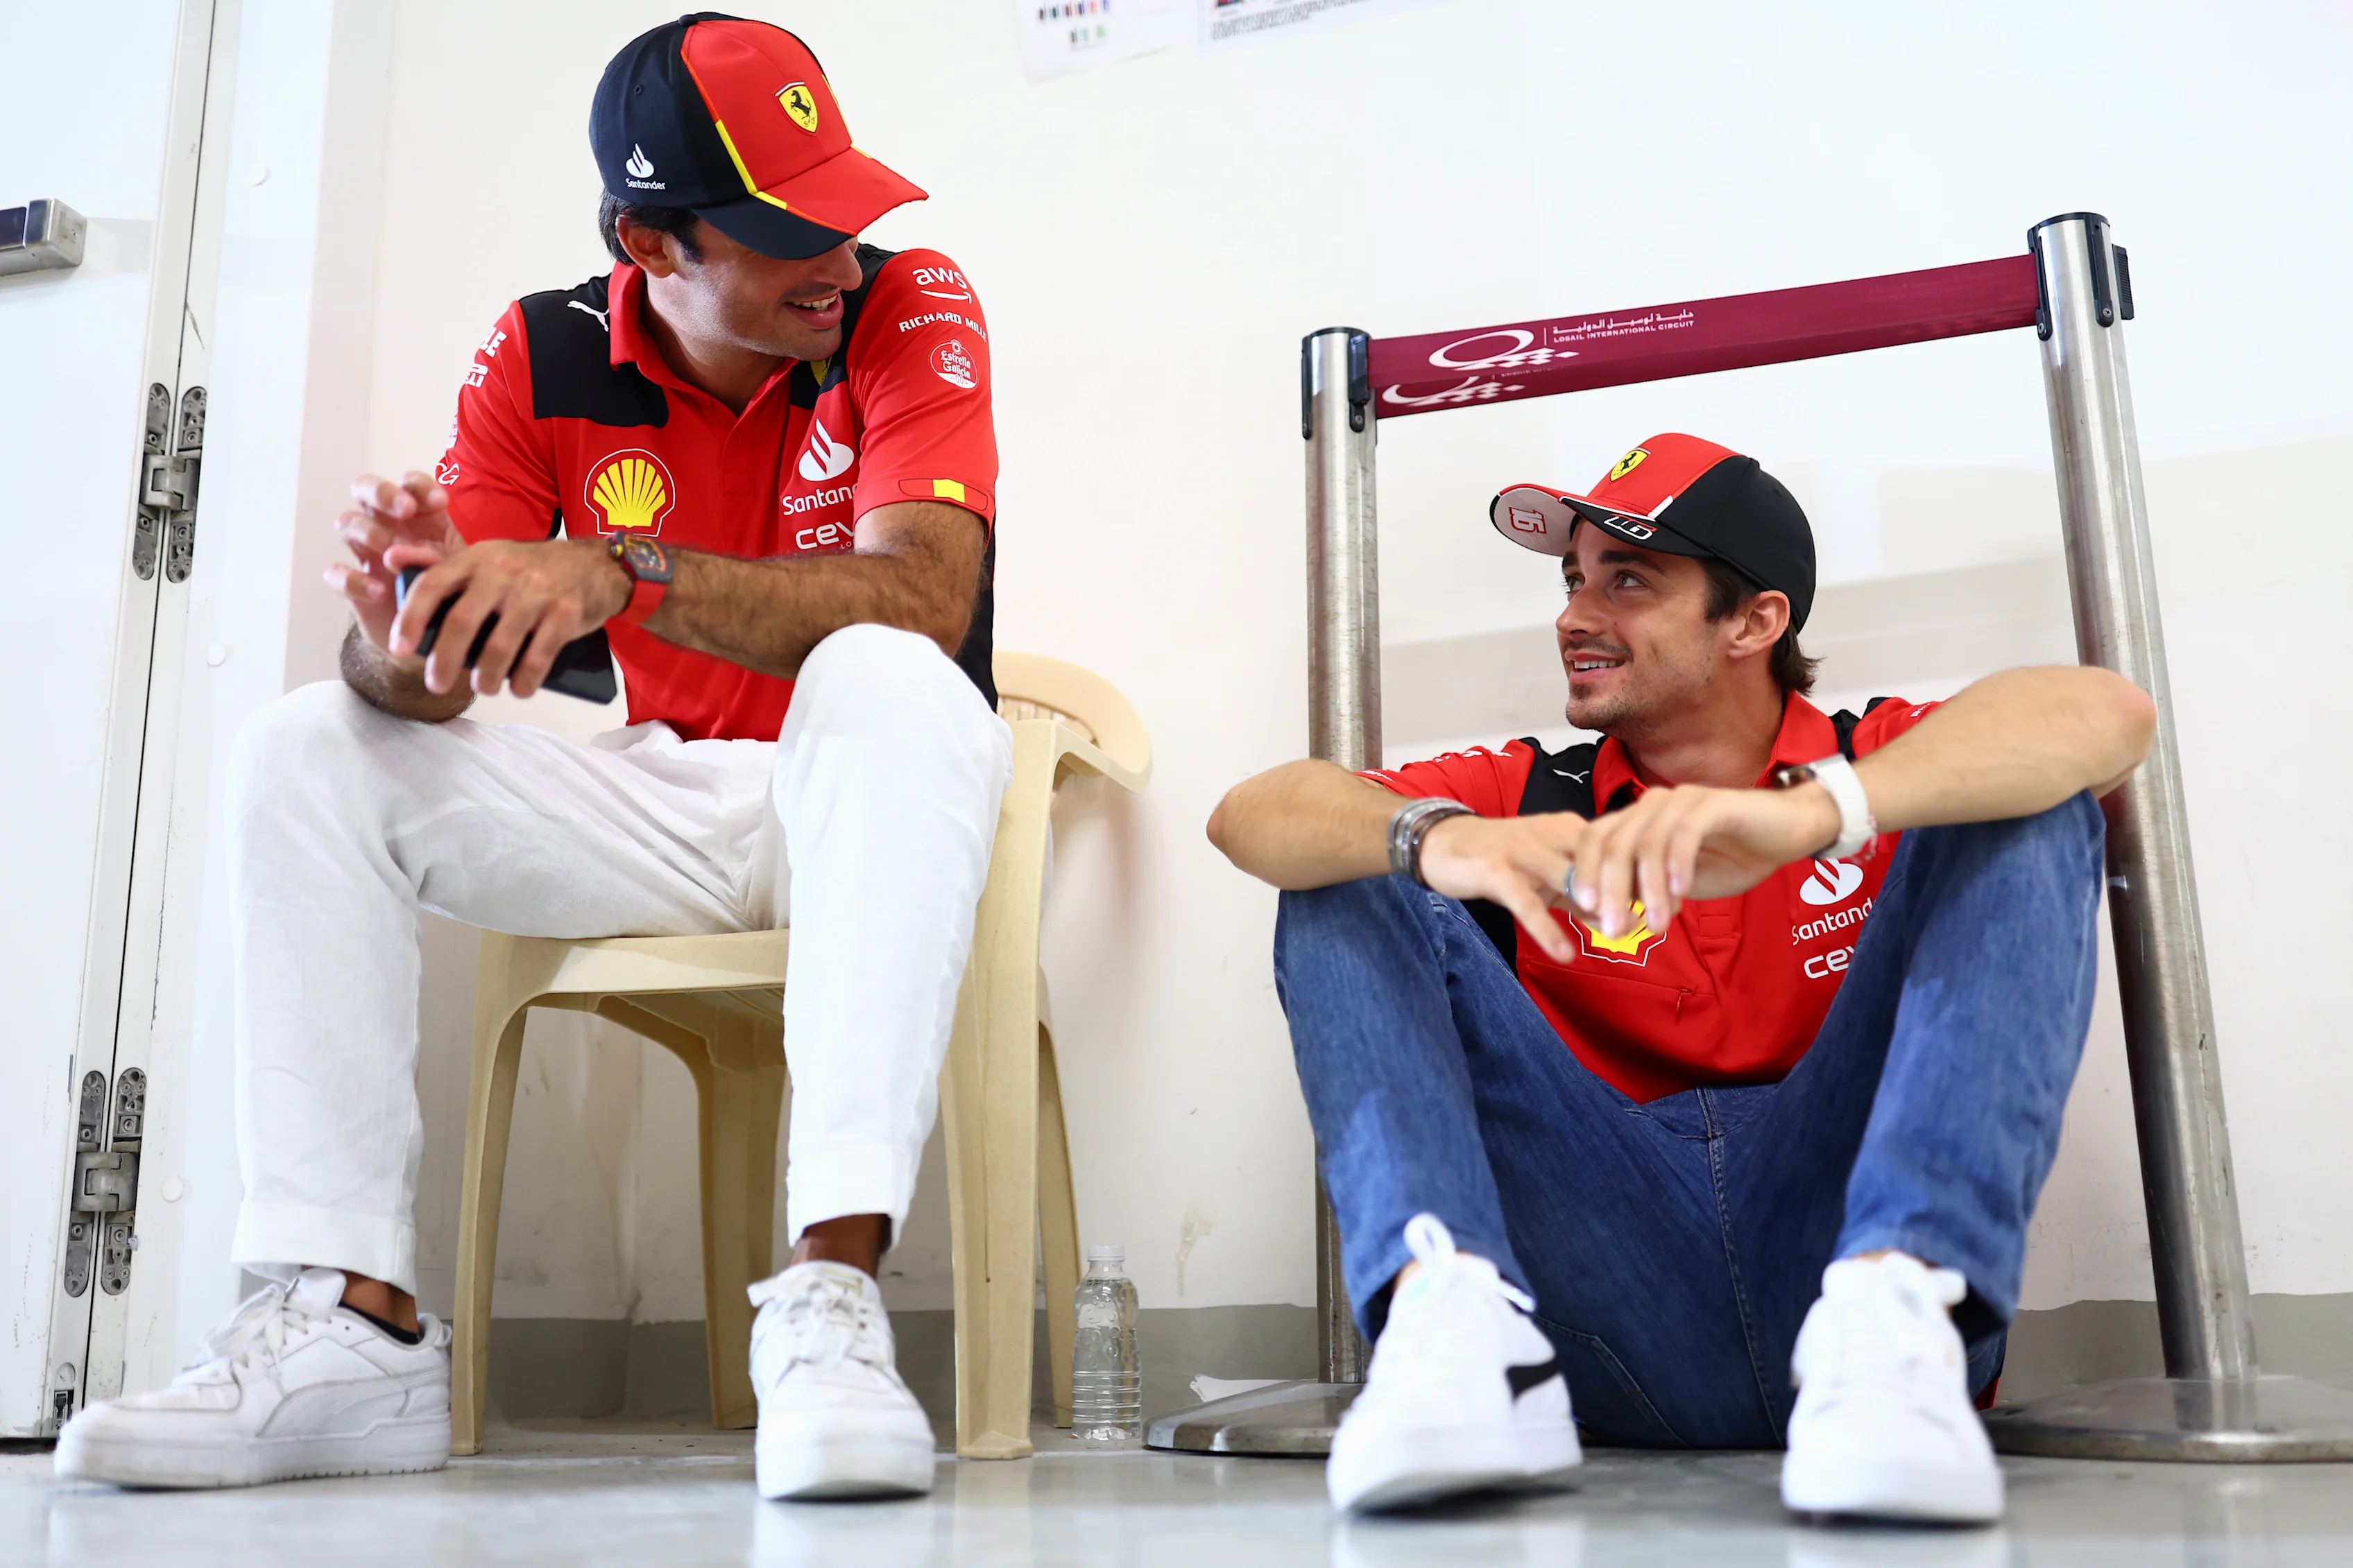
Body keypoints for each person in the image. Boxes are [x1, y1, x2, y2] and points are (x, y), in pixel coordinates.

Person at [58, 16, 1006, 1502]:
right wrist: (409, 626)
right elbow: (423, 689)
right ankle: (354, 1323)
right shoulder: (541, 347)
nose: (835, 255)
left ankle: (830, 1302)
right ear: (650, 241)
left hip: (871, 790)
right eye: (782, 231)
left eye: (843, 207)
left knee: (884, 668)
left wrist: (622, 567)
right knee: (308, 739)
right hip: (660, 793)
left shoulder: (909, 300)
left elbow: (925, 601)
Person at [1208, 433, 2154, 1522]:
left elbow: (2111, 715)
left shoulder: (1876, 764)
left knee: (2027, 801)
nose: (1574, 615)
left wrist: (1815, 814)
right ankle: (1457, 1340)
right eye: (1572, 581)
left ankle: (1899, 1317)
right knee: (1352, 857)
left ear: (1753, 621)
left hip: (1840, 1262)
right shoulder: (1527, 793)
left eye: (1627, 581)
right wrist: (1440, 840)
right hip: (1602, 1293)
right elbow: (1249, 814)